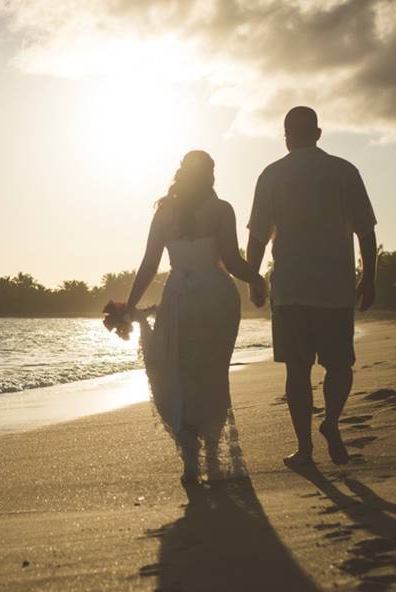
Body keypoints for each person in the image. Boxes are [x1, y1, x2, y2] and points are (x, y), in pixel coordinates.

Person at [246, 106, 378, 466]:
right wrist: (369, 279)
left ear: (286, 137)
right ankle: (331, 423)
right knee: (339, 365)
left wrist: (253, 279)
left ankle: (304, 449)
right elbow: (366, 231)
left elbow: (257, 237)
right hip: (335, 288)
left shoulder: (272, 175)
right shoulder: (344, 171)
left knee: (297, 370)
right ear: (318, 134)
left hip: (290, 290)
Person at [125, 150, 266, 484]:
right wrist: (258, 280)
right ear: (210, 175)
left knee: (179, 374)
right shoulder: (221, 210)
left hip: (180, 300)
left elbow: (148, 263)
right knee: (213, 375)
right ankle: (213, 454)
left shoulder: (164, 213)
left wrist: (131, 304)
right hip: (217, 297)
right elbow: (231, 261)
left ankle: (190, 462)